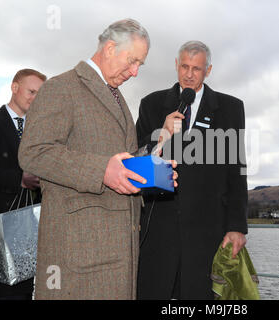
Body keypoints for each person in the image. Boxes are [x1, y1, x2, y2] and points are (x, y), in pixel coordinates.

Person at [18, 19, 151, 300]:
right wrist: (102, 170)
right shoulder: (61, 87)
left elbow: (114, 159)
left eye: (140, 64)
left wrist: (148, 170)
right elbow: (33, 152)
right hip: (78, 263)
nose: (135, 72)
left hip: (115, 256)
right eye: (132, 61)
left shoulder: (116, 96)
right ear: (110, 48)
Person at [136, 41, 248, 299]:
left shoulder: (231, 108)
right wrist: (161, 136)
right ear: (176, 65)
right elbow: (137, 161)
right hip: (158, 229)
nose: (188, 74)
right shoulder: (151, 104)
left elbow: (237, 169)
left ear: (208, 71)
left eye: (196, 69)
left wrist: (237, 226)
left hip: (208, 231)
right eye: (184, 66)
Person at [0, 69, 46, 300]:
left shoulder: (42, 133)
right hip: (0, 222)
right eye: (31, 91)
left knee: (22, 290)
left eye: (40, 94)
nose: (35, 99)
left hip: (29, 228)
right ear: (14, 88)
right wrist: (19, 179)